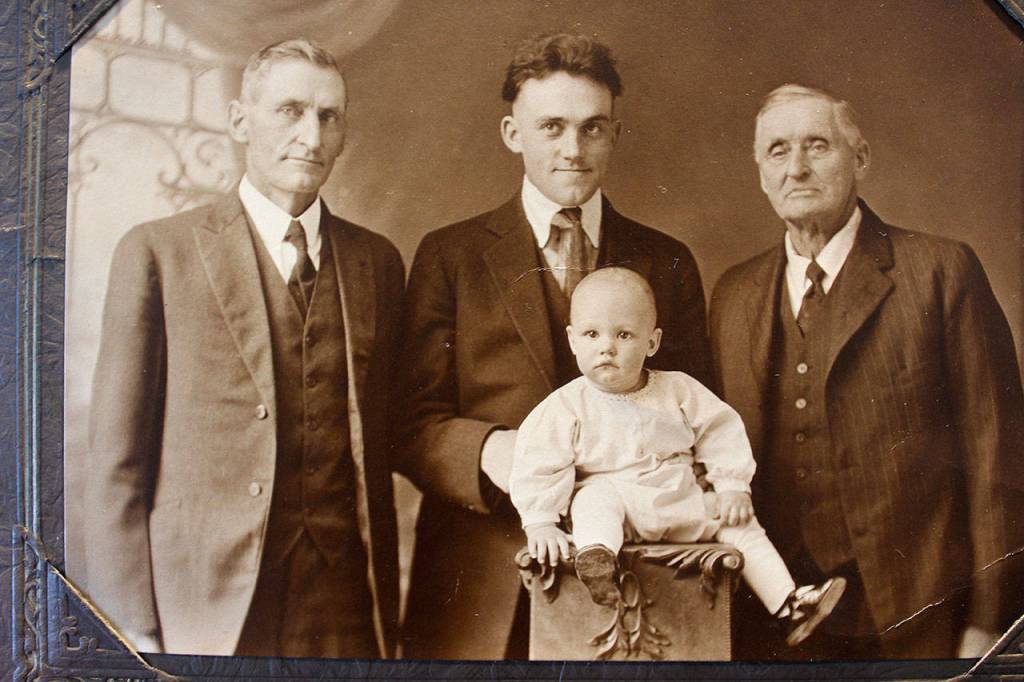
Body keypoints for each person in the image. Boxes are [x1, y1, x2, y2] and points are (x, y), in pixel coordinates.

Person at [394, 32, 712, 659]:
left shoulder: (667, 261)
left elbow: (695, 416)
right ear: (513, 133)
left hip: (636, 584)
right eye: (552, 127)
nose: (573, 149)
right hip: (481, 585)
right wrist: (488, 450)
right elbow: (406, 424)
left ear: (615, 134)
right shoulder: (450, 256)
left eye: (593, 128)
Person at [82, 39, 403, 658]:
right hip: (203, 603)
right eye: (289, 111)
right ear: (239, 120)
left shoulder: (377, 262)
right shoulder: (159, 252)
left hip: (343, 602)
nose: (311, 135)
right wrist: (132, 628)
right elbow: (117, 463)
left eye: (329, 116)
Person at [709, 83, 1024, 659]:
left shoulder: (940, 271)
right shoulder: (733, 295)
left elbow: (996, 458)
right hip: (772, 620)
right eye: (778, 150)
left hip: (918, 612)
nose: (797, 167)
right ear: (761, 174)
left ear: (861, 158)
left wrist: (989, 622)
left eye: (818, 145)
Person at [510, 267, 846, 647]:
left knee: (740, 524)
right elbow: (538, 463)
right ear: (572, 340)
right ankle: (597, 559)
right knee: (592, 501)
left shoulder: (678, 390)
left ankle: (789, 603)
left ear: (652, 342)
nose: (607, 347)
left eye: (624, 335)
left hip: (678, 499)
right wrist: (541, 521)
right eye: (592, 334)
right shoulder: (566, 406)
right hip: (617, 506)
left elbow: (721, 431)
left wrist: (732, 486)